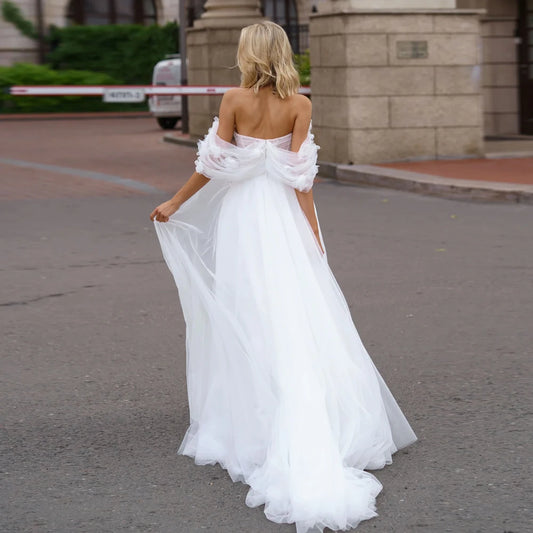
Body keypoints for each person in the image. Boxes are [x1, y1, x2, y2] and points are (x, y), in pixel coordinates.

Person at [150, 21, 417, 533]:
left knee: (248, 317)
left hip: (244, 222)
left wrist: (175, 201)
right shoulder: (301, 105)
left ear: (249, 53)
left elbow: (213, 164)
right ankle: (312, 416)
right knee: (298, 315)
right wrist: (313, 238)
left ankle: (253, 419)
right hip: (285, 222)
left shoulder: (234, 99)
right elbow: (301, 181)